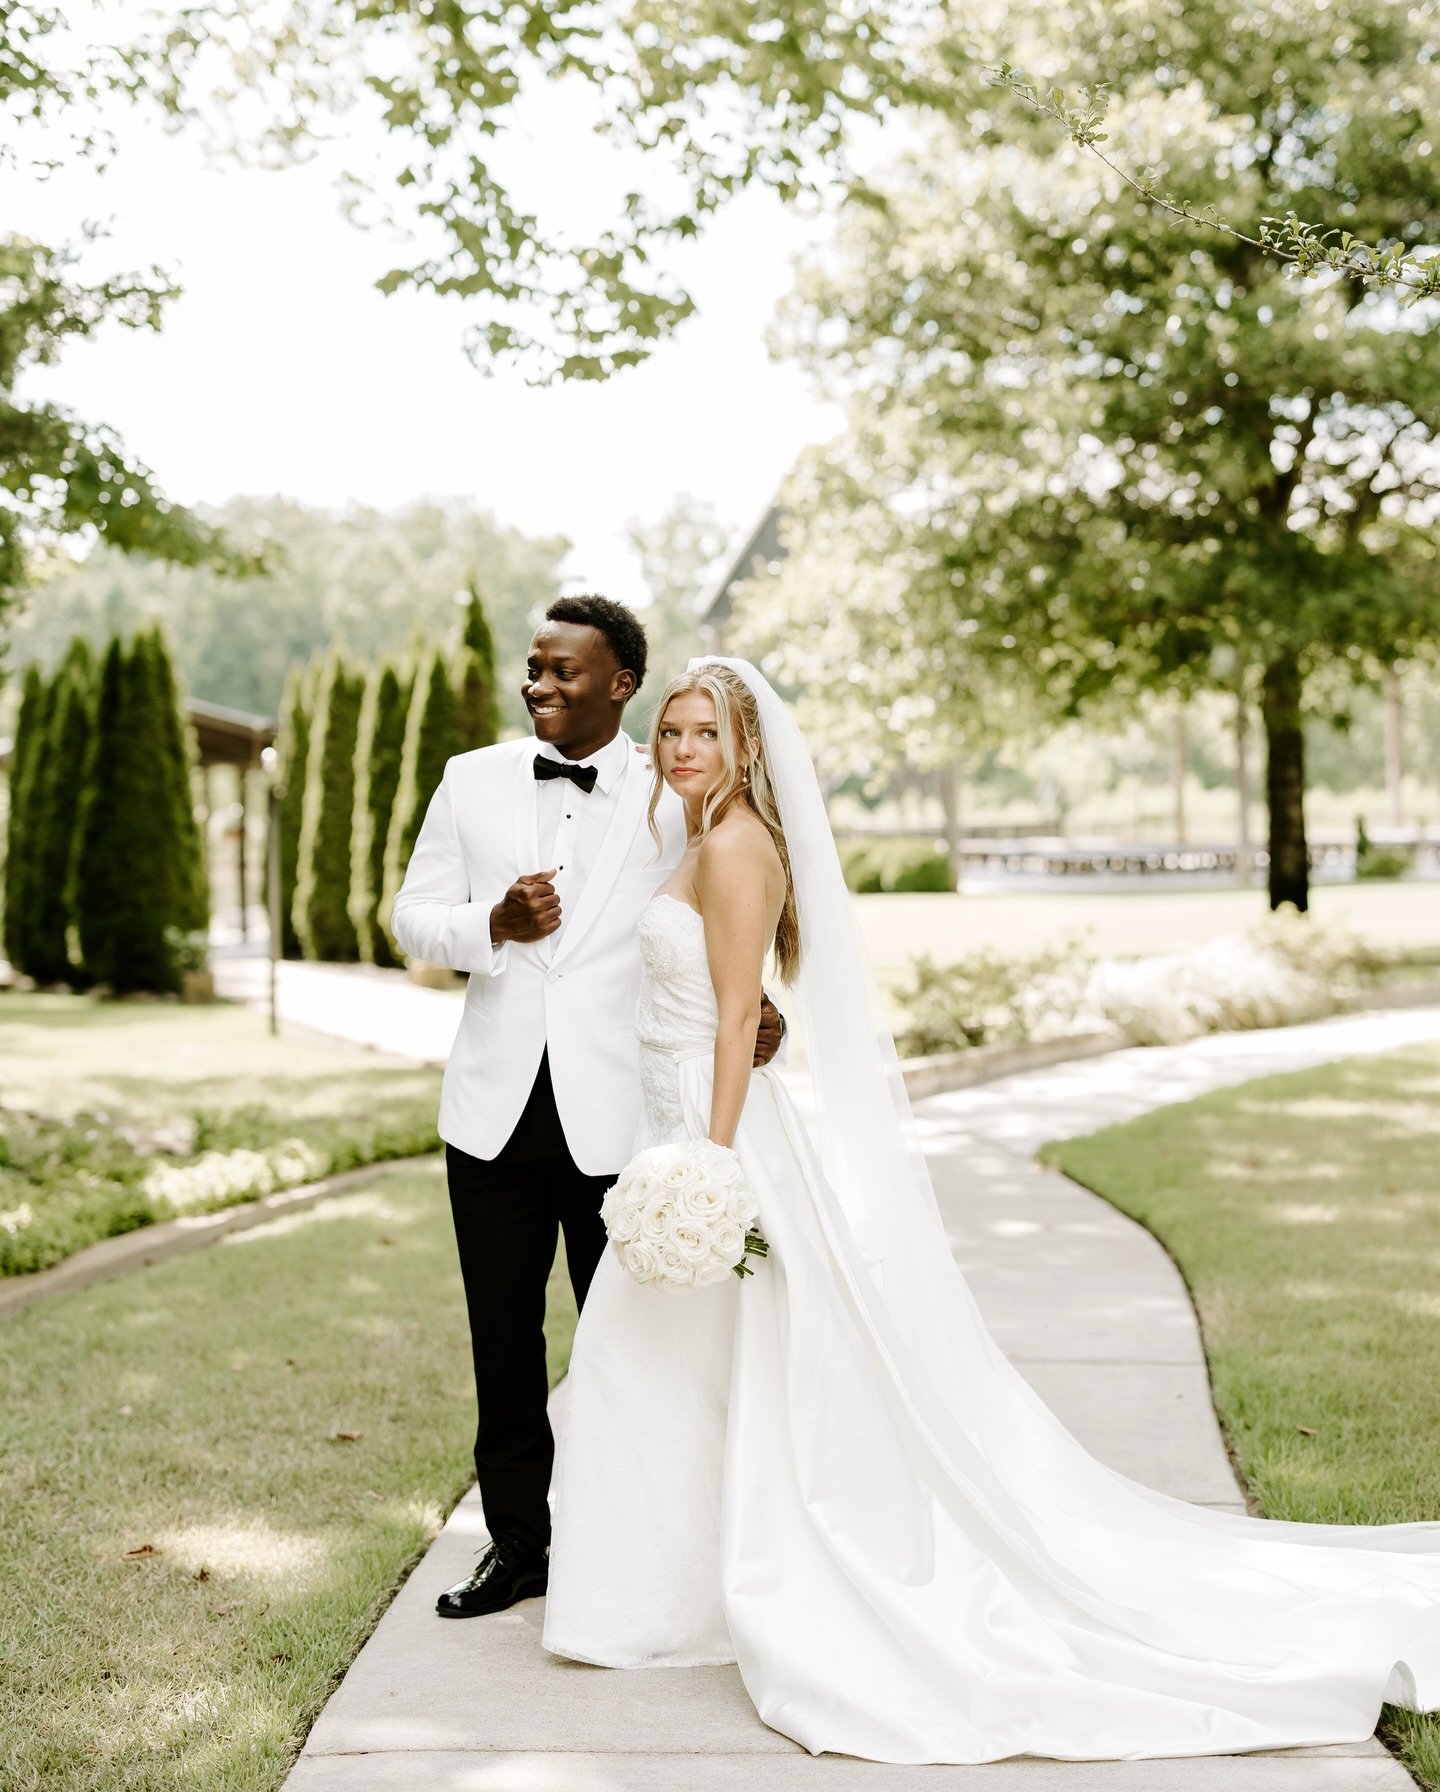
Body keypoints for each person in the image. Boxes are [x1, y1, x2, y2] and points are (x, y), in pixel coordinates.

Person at [542, 655, 1440, 1764]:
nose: (681, 750)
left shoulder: (734, 846)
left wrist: (710, 1167)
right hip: (670, 1124)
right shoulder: (690, 836)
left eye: (703, 735)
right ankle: (673, 1590)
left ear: (747, 750)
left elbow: (739, 1019)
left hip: (711, 1135)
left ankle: (674, 1593)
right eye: (672, 731)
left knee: (683, 1356)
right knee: (684, 1365)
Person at [390, 601, 782, 1620]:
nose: (542, 686)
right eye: (535, 669)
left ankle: (639, 1553)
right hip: (490, 1113)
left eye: (567, 672)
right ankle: (518, 1546)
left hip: (625, 1120)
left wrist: (753, 1005)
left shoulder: (677, 782)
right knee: (503, 1341)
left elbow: (720, 909)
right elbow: (409, 914)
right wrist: (493, 922)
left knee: (639, 1351)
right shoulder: (470, 778)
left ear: (621, 684)